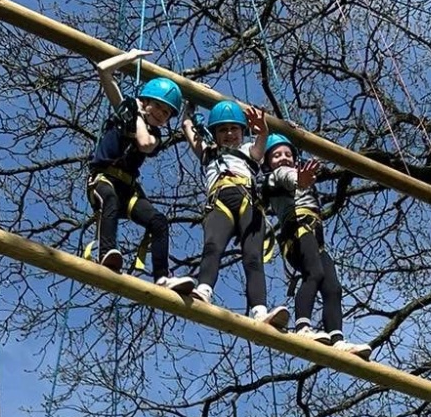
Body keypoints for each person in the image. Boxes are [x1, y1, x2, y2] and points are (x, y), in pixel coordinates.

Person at [169, 99, 290, 327]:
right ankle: (203, 289)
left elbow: (260, 144)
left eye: (234, 128)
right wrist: (189, 106)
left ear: (242, 132)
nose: (229, 134)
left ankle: (260, 311)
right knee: (213, 246)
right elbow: (187, 127)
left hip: (248, 202)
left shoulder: (249, 150)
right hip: (219, 201)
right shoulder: (208, 152)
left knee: (252, 257)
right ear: (214, 134)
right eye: (222, 130)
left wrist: (262, 130)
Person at [261, 132, 371, 357]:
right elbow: (290, 179)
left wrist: (305, 177)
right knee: (315, 274)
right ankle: (303, 327)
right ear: (268, 162)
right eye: (276, 155)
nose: (282, 158)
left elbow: (300, 178)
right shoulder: (276, 176)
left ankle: (337, 338)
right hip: (297, 231)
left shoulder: (300, 174)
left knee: (333, 288)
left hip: (314, 238)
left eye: (287, 154)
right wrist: (300, 180)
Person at [86, 53, 182, 283]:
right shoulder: (123, 112)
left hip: (128, 189)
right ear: (145, 101)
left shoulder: (154, 135)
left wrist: (140, 116)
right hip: (104, 180)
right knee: (109, 198)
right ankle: (106, 253)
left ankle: (162, 276)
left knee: (158, 221)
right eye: (158, 107)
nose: (160, 115)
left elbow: (145, 144)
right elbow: (103, 69)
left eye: (166, 113)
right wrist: (129, 57)